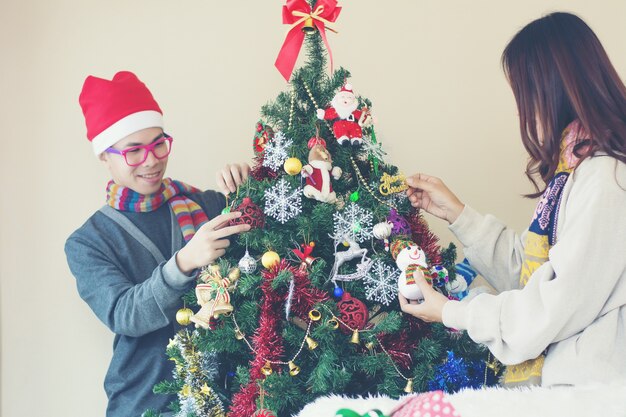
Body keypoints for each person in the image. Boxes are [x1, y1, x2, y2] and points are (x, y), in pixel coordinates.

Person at [400, 12, 626, 387]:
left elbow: (552, 308)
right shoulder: (572, 171)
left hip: (590, 397)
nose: (523, 110)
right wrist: (457, 214)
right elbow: (530, 273)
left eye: (523, 94)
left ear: (551, 89)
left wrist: (454, 312)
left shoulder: (606, 178)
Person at [65, 71, 251, 416]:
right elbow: (125, 314)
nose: (151, 160)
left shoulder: (207, 206)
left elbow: (264, 258)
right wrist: (183, 263)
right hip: (145, 400)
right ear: (105, 155)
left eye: (158, 144)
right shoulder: (88, 242)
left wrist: (246, 185)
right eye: (133, 151)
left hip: (228, 392)